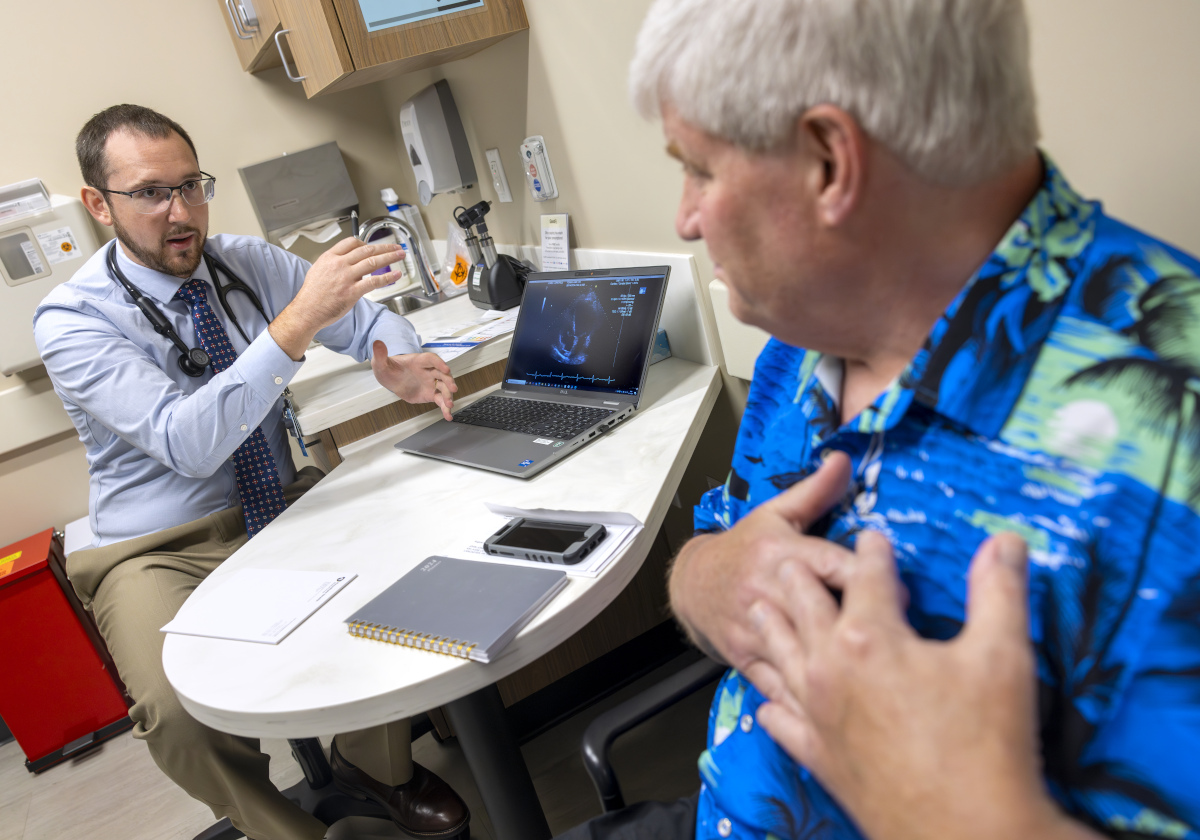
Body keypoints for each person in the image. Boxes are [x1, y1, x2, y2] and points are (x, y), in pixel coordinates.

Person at [558, 1, 1200, 838]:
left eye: (700, 170)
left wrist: (969, 816)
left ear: (829, 161)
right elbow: (721, 541)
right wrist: (705, 579)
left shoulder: (1174, 441)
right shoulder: (808, 322)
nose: (686, 217)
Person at [34, 105, 469, 840]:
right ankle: (281, 831)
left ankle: (374, 766)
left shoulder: (247, 261)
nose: (181, 213)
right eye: (150, 193)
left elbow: (367, 321)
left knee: (415, 576)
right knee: (176, 717)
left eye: (191, 186)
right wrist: (296, 323)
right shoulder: (72, 319)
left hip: (279, 502)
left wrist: (393, 359)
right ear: (98, 205)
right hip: (156, 547)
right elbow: (187, 441)